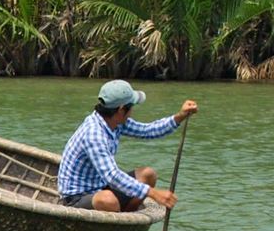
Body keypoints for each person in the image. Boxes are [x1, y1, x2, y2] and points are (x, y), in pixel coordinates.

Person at [57, 80, 198, 212]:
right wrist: (154, 193)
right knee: (108, 200)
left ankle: (125, 215)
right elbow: (112, 176)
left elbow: (148, 131)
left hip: (100, 185)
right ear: (121, 109)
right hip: (76, 197)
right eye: (131, 107)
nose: (132, 112)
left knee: (148, 175)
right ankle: (116, 218)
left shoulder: (115, 122)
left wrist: (180, 116)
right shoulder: (94, 134)